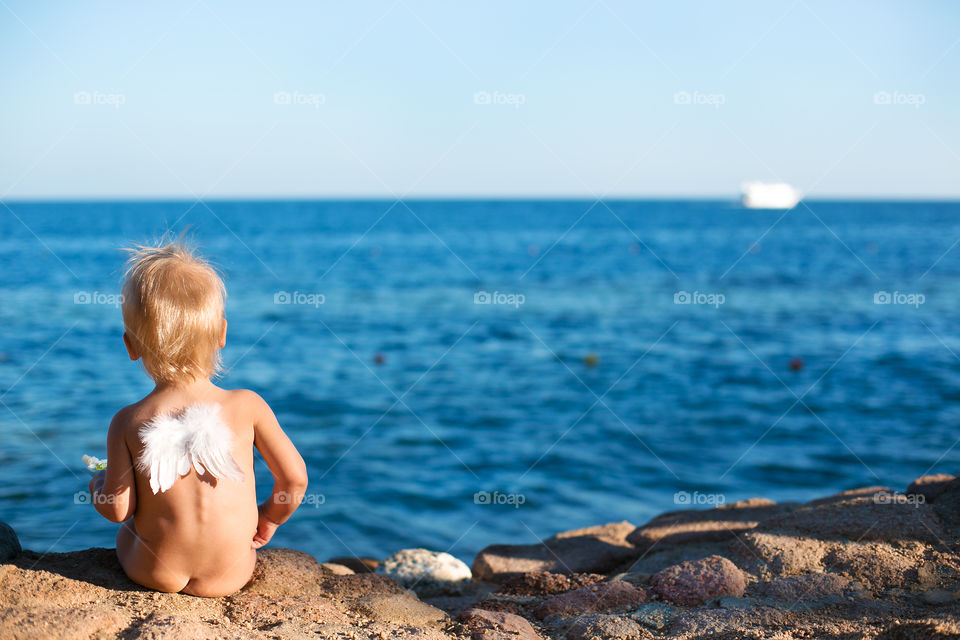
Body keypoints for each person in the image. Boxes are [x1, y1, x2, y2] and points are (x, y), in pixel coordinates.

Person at [88, 240, 308, 597]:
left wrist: (96, 487)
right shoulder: (248, 405)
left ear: (130, 345)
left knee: (126, 533)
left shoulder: (128, 421)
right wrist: (268, 518)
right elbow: (295, 480)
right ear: (222, 333)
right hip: (230, 574)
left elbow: (117, 509)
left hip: (155, 570)